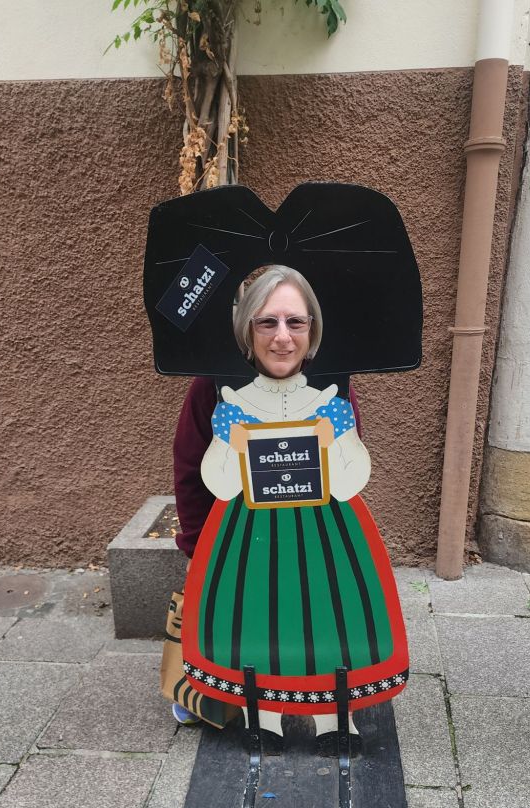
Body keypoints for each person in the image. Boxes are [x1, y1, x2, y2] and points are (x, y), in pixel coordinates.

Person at [172, 266, 407, 733]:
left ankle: (331, 715)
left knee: (326, 613)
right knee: (253, 614)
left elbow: (348, 481)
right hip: (245, 539)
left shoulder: (333, 389)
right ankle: (261, 715)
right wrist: (199, 549)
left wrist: (340, 436)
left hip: (323, 536)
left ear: (313, 329)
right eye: (267, 322)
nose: (282, 337)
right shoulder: (215, 388)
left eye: (295, 322)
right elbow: (193, 474)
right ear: (247, 328)